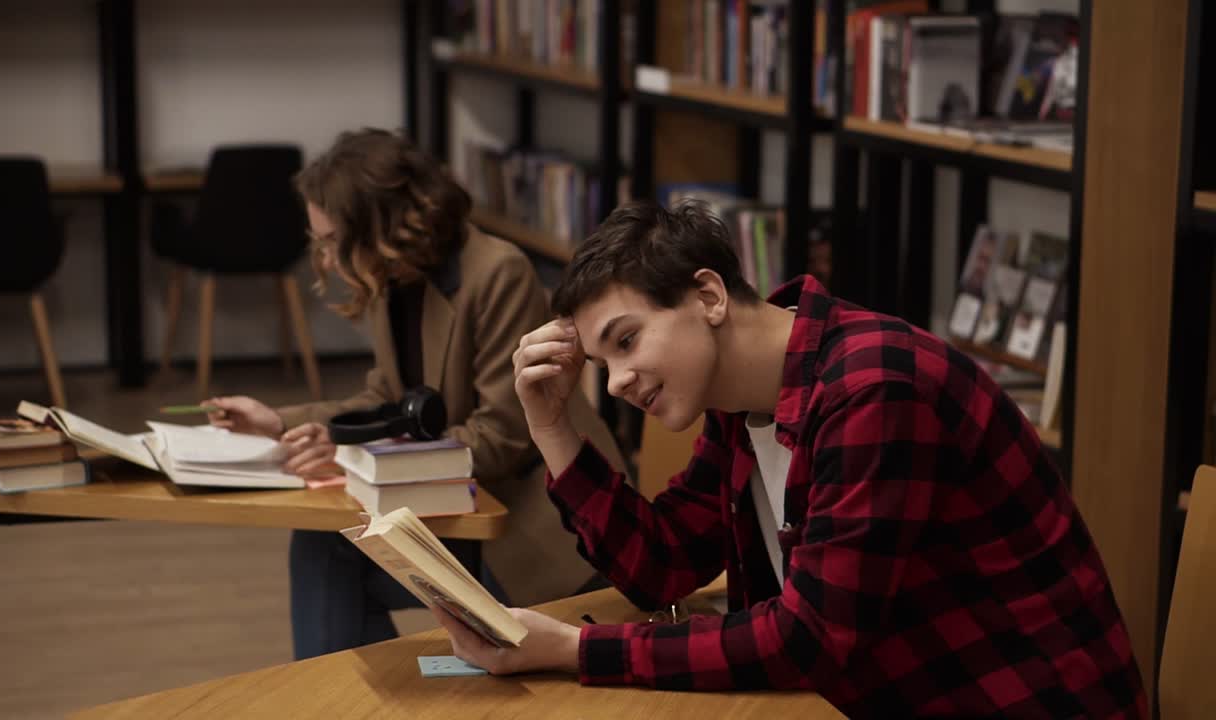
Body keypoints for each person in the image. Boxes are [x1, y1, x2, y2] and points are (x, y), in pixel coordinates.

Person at [431, 201, 1147, 718]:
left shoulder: (873, 390)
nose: (615, 380)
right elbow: (664, 566)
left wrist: (575, 651)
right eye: (600, 361)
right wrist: (550, 427)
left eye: (625, 341)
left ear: (708, 295)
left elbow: (811, 641)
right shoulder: (742, 399)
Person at [206, 128, 625, 660]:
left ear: (381, 229)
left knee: (332, 554)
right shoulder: (395, 276)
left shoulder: (498, 272)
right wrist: (278, 423)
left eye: (332, 241)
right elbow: (388, 400)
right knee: (324, 542)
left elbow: (499, 442)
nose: (327, 261)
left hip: (530, 533)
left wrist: (351, 453)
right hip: (466, 514)